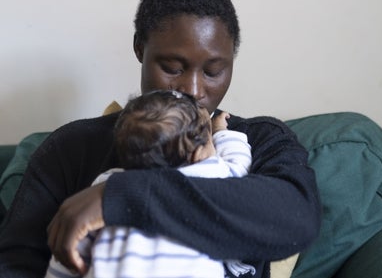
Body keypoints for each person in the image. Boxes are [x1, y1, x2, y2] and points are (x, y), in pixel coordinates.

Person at [0, 0, 321, 278]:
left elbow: (296, 219)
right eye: (172, 67)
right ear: (140, 48)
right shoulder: (73, 148)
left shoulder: (257, 140)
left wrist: (118, 198)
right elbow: (17, 264)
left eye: (213, 71)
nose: (193, 89)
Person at [45, 89, 253, 278]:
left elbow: (71, 251)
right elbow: (238, 164)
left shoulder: (106, 185)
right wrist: (221, 131)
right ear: (199, 153)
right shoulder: (205, 175)